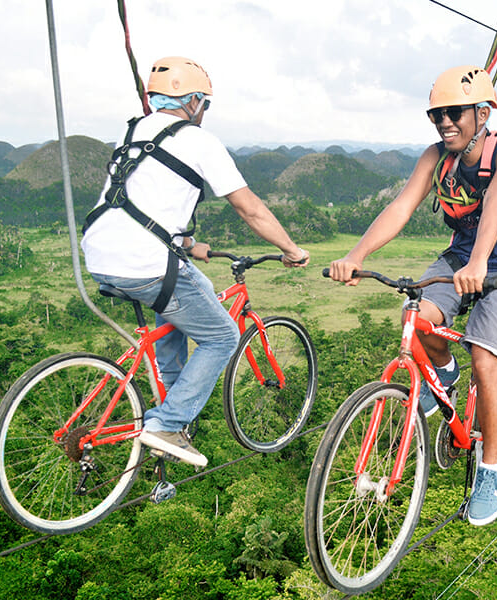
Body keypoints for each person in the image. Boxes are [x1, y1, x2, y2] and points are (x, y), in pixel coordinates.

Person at [328, 65, 497, 526]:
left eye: (455, 112)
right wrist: (357, 254)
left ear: (482, 113)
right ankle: (443, 373)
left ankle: (491, 470)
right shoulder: (436, 157)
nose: (445, 122)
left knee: (486, 360)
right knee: (418, 320)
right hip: (459, 260)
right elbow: (401, 205)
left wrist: (480, 261)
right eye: (437, 114)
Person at [81, 56, 309, 467]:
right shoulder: (199, 140)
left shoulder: (130, 128)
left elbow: (142, 195)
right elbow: (249, 208)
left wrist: (185, 241)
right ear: (195, 101)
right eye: (205, 104)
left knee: (189, 297)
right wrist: (291, 249)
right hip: (145, 263)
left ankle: (170, 395)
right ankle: (167, 423)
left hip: (101, 252)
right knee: (222, 336)